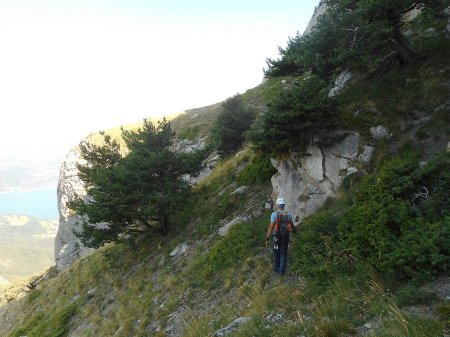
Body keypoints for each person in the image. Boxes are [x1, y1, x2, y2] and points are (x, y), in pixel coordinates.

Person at [265, 197, 296, 275]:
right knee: (283, 253)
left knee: (276, 253)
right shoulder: (288, 214)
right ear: (284, 205)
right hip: (285, 236)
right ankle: (281, 271)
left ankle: (276, 269)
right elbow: (292, 226)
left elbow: (271, 227)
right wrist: (297, 233)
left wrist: (267, 237)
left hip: (276, 237)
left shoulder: (274, 214)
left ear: (277, 205)